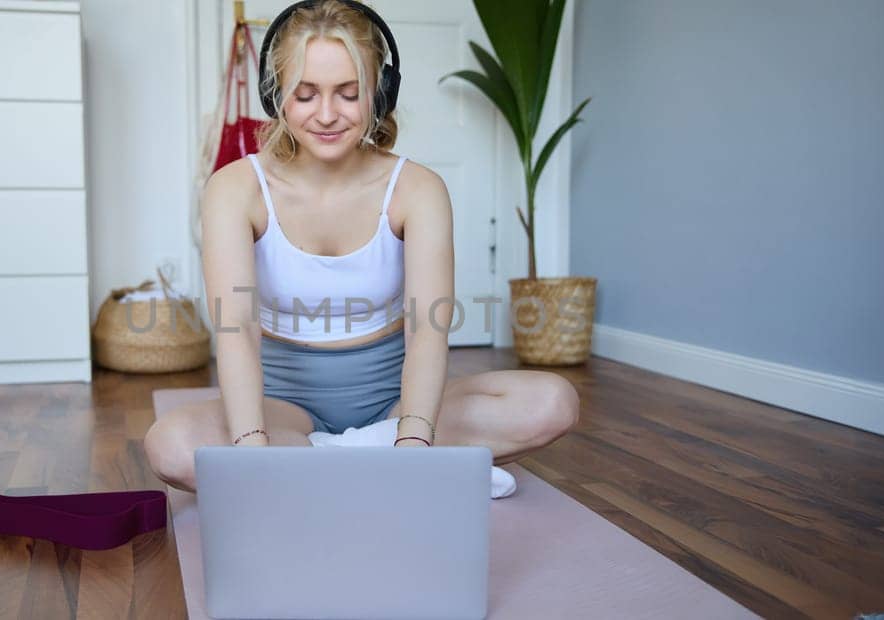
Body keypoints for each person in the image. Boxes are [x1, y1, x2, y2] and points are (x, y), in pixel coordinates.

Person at [146, 0, 578, 494]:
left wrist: (413, 443)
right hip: (282, 407)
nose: (327, 115)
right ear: (276, 96)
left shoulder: (418, 189)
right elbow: (237, 332)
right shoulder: (233, 189)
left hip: (395, 402)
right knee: (171, 445)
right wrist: (252, 455)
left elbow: (427, 332)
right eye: (305, 95)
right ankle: (367, 457)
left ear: (379, 94)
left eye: (348, 94)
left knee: (554, 402)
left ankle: (356, 456)